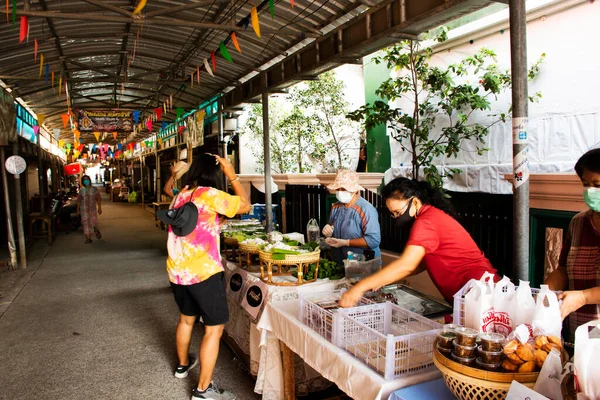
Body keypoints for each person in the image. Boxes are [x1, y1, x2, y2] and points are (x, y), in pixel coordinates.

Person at [160, 153, 250, 400]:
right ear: (213, 173)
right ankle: (202, 391)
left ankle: (182, 366)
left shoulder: (181, 195)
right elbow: (245, 205)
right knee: (214, 329)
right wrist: (231, 173)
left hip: (178, 272)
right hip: (204, 273)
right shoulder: (208, 194)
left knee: (186, 320)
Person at [339, 177, 500, 307]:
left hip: (482, 296)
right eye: (393, 214)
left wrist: (359, 288)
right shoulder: (431, 216)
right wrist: (381, 280)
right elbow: (418, 264)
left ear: (415, 202)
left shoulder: (427, 221)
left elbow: (407, 265)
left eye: (398, 212)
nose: (396, 218)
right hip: (475, 295)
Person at [545, 148, 600, 339]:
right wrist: (547, 292)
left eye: (597, 184)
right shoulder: (577, 223)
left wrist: (584, 297)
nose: (591, 191)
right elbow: (562, 271)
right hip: (576, 331)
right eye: (586, 184)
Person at [322, 169, 381, 266]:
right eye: (338, 189)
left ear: (355, 190)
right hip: (341, 262)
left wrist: (346, 243)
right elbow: (333, 227)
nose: (340, 192)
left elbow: (373, 240)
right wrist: (328, 232)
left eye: (344, 189)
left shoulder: (366, 210)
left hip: (363, 263)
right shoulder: (336, 207)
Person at [76, 174, 102, 244]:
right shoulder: (81, 190)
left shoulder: (94, 189)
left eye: (87, 179)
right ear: (82, 181)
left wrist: (99, 208)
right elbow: (79, 200)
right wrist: (77, 210)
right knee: (85, 223)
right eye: (84, 180)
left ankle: (95, 229)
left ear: (89, 180)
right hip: (83, 209)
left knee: (92, 221)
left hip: (92, 209)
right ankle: (88, 238)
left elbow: (98, 199)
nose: (86, 181)